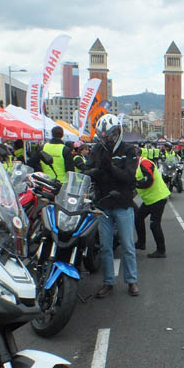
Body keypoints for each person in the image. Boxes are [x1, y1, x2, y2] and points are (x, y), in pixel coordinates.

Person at [76, 114, 140, 298]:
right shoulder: (97, 149)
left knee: (127, 245)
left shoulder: (129, 150)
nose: (108, 139)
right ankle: (108, 282)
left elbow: (128, 177)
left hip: (122, 203)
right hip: (103, 204)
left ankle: (132, 281)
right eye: (104, 136)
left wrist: (109, 168)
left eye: (110, 135)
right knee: (105, 247)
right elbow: (88, 171)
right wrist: (91, 171)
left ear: (117, 132)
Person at [134, 148, 171, 258]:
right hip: (149, 199)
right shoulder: (135, 165)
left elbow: (149, 180)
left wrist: (136, 184)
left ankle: (161, 250)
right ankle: (141, 243)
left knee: (154, 225)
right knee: (138, 217)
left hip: (158, 198)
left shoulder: (144, 163)